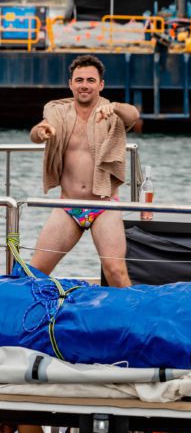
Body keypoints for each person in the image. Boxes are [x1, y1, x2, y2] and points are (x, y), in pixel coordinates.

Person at [29, 54, 140, 287]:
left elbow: (133, 115)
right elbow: (37, 132)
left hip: (104, 205)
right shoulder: (57, 111)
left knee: (116, 271)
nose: (84, 85)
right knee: (34, 271)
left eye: (91, 80)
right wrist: (42, 131)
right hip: (67, 206)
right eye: (79, 80)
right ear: (70, 84)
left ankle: (131, 319)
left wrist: (115, 107)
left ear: (101, 84)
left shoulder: (111, 111)